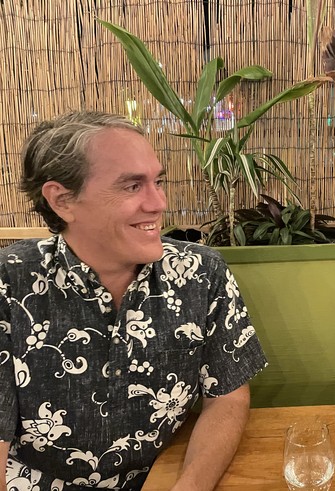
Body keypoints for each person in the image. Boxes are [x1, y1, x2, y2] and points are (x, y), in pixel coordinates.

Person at [0, 111, 268, 490]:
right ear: (62, 200)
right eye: (131, 186)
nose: (158, 203)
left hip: (160, 478)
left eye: (158, 181)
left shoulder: (199, 272)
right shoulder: (9, 282)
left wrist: (189, 486)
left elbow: (226, 398)